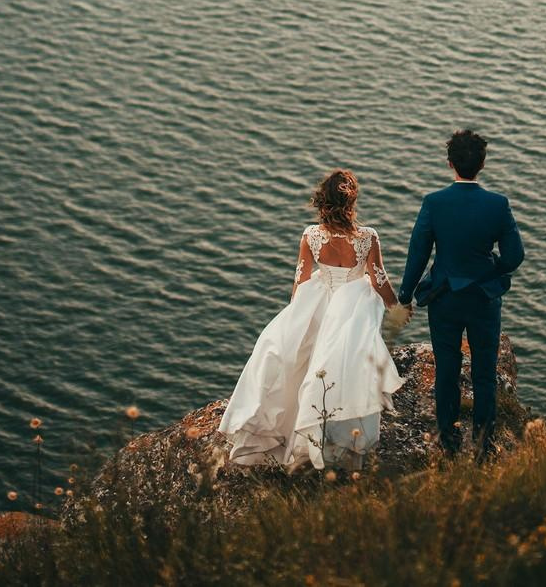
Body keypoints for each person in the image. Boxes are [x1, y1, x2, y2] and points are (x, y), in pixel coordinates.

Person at [218, 168, 405, 471]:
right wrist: (396, 307)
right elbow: (378, 278)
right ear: (351, 202)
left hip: (319, 303)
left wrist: (296, 315)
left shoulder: (311, 235)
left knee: (302, 365)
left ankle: (295, 433)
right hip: (352, 310)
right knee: (344, 368)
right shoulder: (368, 238)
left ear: (323, 200)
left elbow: (301, 279)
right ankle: (338, 437)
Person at [397, 129, 525, 460]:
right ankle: (483, 445)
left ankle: (448, 440)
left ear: (449, 163)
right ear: (482, 163)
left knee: (446, 368)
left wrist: (405, 294)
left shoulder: (434, 202)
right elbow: (514, 257)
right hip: (484, 298)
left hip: (444, 298)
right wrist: (492, 267)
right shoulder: (498, 204)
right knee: (484, 372)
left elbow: (418, 253)